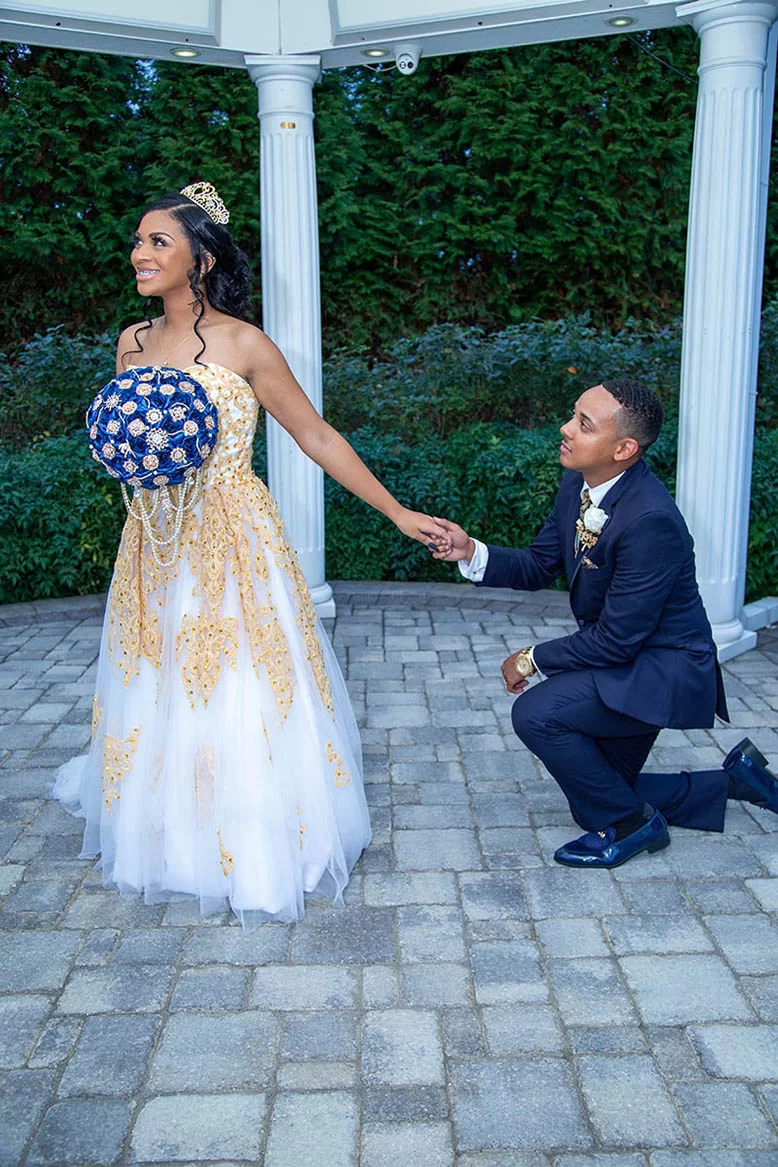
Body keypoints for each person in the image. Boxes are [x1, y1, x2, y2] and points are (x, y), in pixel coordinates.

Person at [53, 182, 443, 924]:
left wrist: (397, 512)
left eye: (158, 242)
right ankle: (169, 835)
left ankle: (248, 842)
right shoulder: (131, 342)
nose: (139, 254)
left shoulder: (246, 345)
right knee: (158, 673)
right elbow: (135, 441)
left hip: (232, 536)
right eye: (137, 241)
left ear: (201, 259)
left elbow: (316, 435)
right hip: (155, 535)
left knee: (235, 680)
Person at [432, 378, 778, 868]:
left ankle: (634, 826)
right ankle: (733, 783)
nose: (565, 428)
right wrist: (471, 552)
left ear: (623, 449)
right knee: (597, 797)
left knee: (536, 714)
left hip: (662, 671)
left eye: (583, 424)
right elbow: (538, 564)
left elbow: (615, 639)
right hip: (624, 657)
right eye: (573, 415)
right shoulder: (578, 485)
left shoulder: (651, 521)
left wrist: (531, 659)